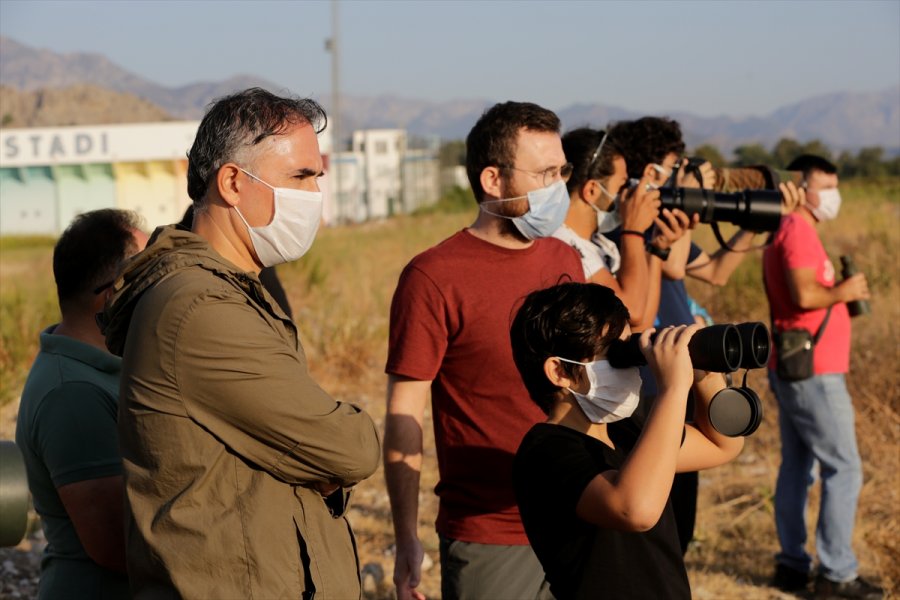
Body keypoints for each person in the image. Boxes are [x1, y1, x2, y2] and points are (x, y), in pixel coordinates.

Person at [100, 88, 380, 599]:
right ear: (232, 181)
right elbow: (349, 449)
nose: (315, 194)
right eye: (300, 177)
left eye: (317, 177)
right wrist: (330, 448)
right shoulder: (201, 308)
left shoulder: (232, 288)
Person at [384, 101, 585, 600]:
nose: (558, 187)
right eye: (543, 174)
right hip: (490, 534)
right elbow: (404, 414)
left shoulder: (566, 259)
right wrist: (406, 537)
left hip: (579, 514)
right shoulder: (433, 277)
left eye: (562, 171)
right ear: (493, 180)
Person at [607, 115, 802, 554]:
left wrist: (753, 218)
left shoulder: (661, 228)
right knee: (656, 510)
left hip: (683, 373)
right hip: (651, 380)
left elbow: (714, 271)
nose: (682, 177)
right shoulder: (626, 232)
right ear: (651, 171)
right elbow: (672, 266)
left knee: (681, 511)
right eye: (676, 167)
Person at [509, 282, 744, 599]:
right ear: (560, 371)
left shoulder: (625, 429)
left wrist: (703, 370)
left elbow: (722, 444)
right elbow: (635, 509)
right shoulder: (545, 450)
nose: (632, 365)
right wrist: (673, 389)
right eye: (615, 355)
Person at [764, 155, 882, 599]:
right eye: (823, 185)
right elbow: (804, 293)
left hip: (797, 366)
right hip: (814, 372)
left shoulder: (787, 229)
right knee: (844, 468)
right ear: (800, 187)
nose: (831, 194)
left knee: (797, 466)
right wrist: (844, 292)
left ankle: (792, 564)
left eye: (835, 184)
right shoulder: (796, 230)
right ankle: (837, 573)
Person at [15, 208, 148, 599]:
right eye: (147, 277)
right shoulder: (71, 394)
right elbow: (113, 546)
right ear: (113, 294)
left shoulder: (105, 365)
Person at [556, 126, 690, 330]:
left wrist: (656, 248)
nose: (626, 195)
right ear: (591, 190)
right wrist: (633, 230)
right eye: (621, 186)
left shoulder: (598, 244)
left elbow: (642, 322)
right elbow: (631, 312)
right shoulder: (565, 245)